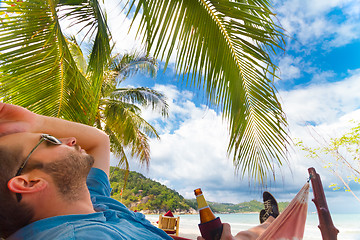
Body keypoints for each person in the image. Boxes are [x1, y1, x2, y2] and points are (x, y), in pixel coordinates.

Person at [0, 103, 279, 240]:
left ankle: (270, 221)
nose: (71, 139)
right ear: (30, 182)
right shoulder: (82, 237)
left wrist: (32, 123)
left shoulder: (89, 200)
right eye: (49, 140)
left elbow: (99, 140)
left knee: (256, 233)